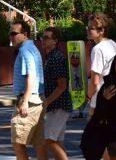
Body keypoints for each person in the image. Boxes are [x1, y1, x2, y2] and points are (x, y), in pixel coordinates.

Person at [10, 19, 46, 159]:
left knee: (18, 143)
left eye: (14, 33)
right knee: (39, 144)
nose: (11, 37)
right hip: (37, 101)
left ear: (25, 34)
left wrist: (24, 101)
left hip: (29, 102)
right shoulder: (32, 48)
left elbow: (31, 75)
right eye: (10, 34)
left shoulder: (25, 50)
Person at [39, 26, 72, 160]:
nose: (43, 40)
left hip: (59, 106)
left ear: (55, 41)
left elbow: (62, 85)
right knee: (57, 142)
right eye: (42, 37)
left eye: (47, 38)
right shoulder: (50, 57)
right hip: (56, 106)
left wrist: (47, 102)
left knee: (48, 140)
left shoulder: (56, 58)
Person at [85, 13, 116, 116]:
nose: (87, 30)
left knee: (94, 131)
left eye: (91, 28)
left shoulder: (98, 49)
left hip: (99, 101)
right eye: (87, 27)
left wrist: (89, 97)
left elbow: (94, 82)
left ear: (101, 31)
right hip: (114, 98)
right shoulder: (112, 43)